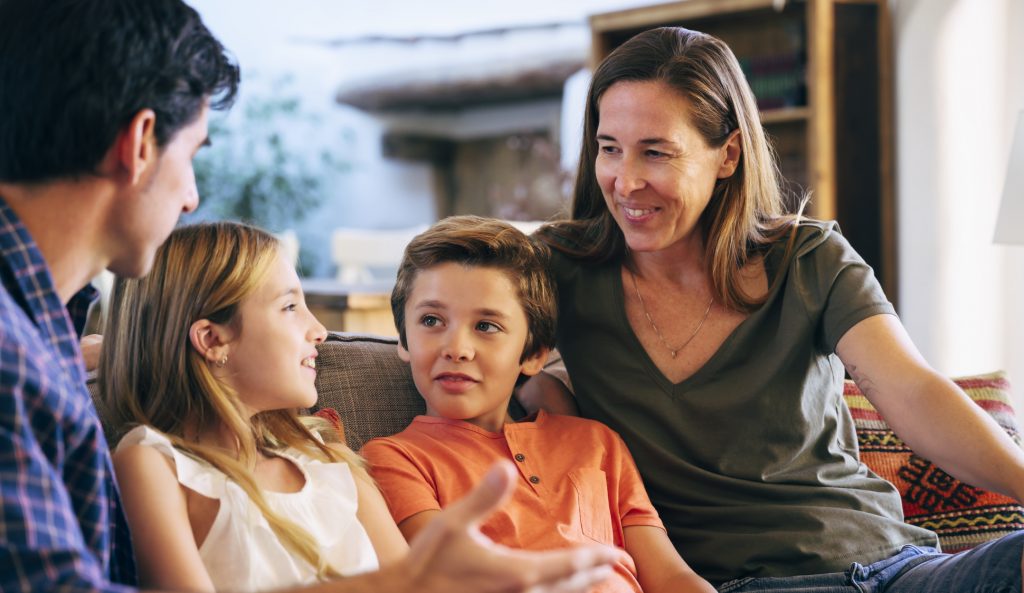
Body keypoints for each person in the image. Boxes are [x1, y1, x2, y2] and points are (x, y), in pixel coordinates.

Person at [0, 1, 622, 592]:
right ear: (140, 145)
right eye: (192, 155)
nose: (190, 196)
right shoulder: (22, 367)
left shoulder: (42, 346)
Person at [520, 26, 1024, 592]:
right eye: (609, 148)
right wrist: (545, 393)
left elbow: (910, 389)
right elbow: (464, 333)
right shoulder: (559, 270)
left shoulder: (808, 258)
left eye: (655, 152)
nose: (625, 181)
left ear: (727, 155)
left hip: (894, 570)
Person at [361, 215, 715, 593]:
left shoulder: (597, 443)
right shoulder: (393, 459)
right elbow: (449, 578)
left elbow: (671, 576)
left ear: (533, 354)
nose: (456, 349)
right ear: (403, 339)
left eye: (486, 326)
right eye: (431, 320)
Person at [99, 222, 407, 590]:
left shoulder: (329, 458)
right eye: (290, 306)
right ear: (212, 339)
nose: (319, 330)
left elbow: (415, 582)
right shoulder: (155, 468)